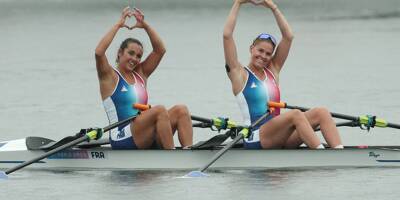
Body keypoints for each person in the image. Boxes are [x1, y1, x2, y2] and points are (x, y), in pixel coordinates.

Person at [223, 0, 343, 149]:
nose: (263, 56)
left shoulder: (273, 70)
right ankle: (321, 153)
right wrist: (238, 3)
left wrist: (273, 7)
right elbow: (227, 36)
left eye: (268, 53)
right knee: (295, 114)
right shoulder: (239, 74)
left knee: (322, 112)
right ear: (251, 49)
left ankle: (339, 151)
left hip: (279, 135)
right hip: (255, 136)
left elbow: (288, 36)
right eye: (260, 51)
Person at [95, 7, 193, 149]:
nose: (134, 59)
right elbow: (99, 53)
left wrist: (145, 26)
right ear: (120, 53)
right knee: (160, 110)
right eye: (131, 53)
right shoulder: (109, 76)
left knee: (181, 110)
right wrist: (118, 25)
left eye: (138, 56)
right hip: (121, 136)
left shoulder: (141, 74)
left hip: (142, 134)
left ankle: (188, 156)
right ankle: (172, 157)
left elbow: (160, 50)